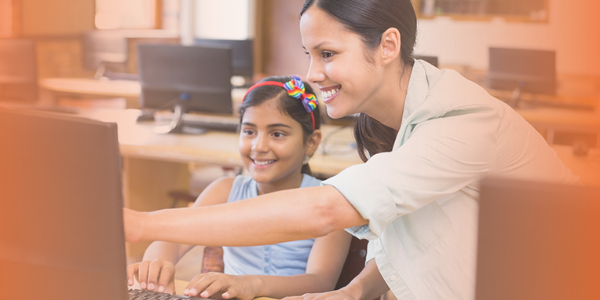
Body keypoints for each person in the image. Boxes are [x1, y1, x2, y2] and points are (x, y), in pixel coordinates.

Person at [124, 1, 580, 299]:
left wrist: (143, 223)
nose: (312, 72)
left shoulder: (460, 122)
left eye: (326, 54)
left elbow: (325, 210)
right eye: (308, 54)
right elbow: (413, 219)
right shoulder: (392, 118)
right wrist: (357, 290)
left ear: (387, 45)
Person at [127, 75, 352, 300]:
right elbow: (170, 239)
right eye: (249, 131)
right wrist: (158, 261)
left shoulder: (330, 201)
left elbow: (321, 281)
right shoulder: (225, 191)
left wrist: (252, 284)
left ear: (311, 142)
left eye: (277, 134)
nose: (259, 146)